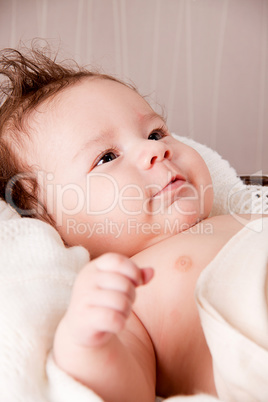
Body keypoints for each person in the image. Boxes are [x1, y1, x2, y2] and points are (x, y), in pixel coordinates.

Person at [0, 46, 267, 402]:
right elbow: (126, 389)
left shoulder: (238, 217)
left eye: (155, 133)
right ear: (50, 224)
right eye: (107, 157)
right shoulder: (126, 292)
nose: (154, 150)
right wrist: (88, 339)